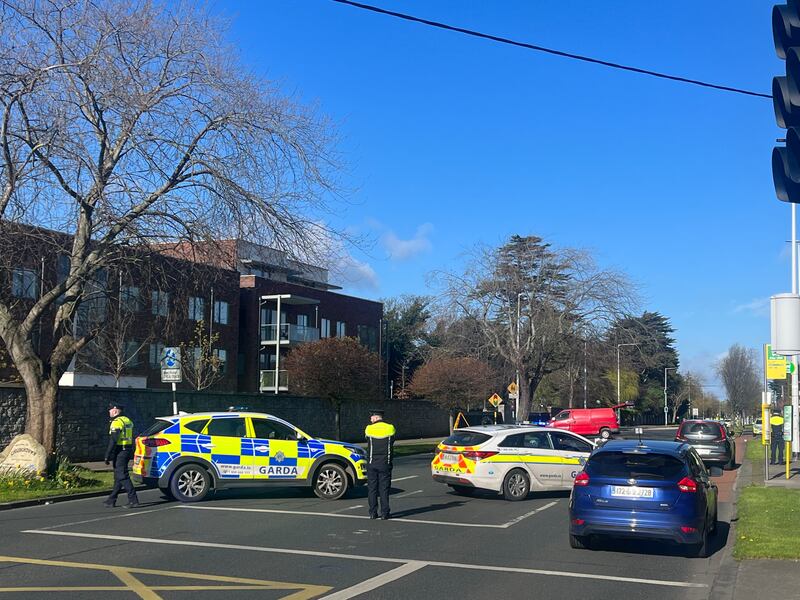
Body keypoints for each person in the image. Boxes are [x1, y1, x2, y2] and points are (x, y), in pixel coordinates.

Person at [103, 402, 139, 508]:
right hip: (127, 449)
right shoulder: (128, 420)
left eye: (110, 410)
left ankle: (133, 500)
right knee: (118, 476)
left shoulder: (116, 422)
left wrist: (107, 455)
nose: (109, 412)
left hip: (120, 451)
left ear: (114, 410)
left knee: (122, 475)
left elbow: (113, 440)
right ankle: (112, 499)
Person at [365, 409, 395, 520]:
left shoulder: (368, 429)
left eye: (372, 417)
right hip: (385, 463)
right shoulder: (390, 427)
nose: (370, 419)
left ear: (376, 417)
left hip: (372, 463)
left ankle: (373, 513)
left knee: (372, 489)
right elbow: (392, 441)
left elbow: (367, 439)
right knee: (384, 489)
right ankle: (385, 513)